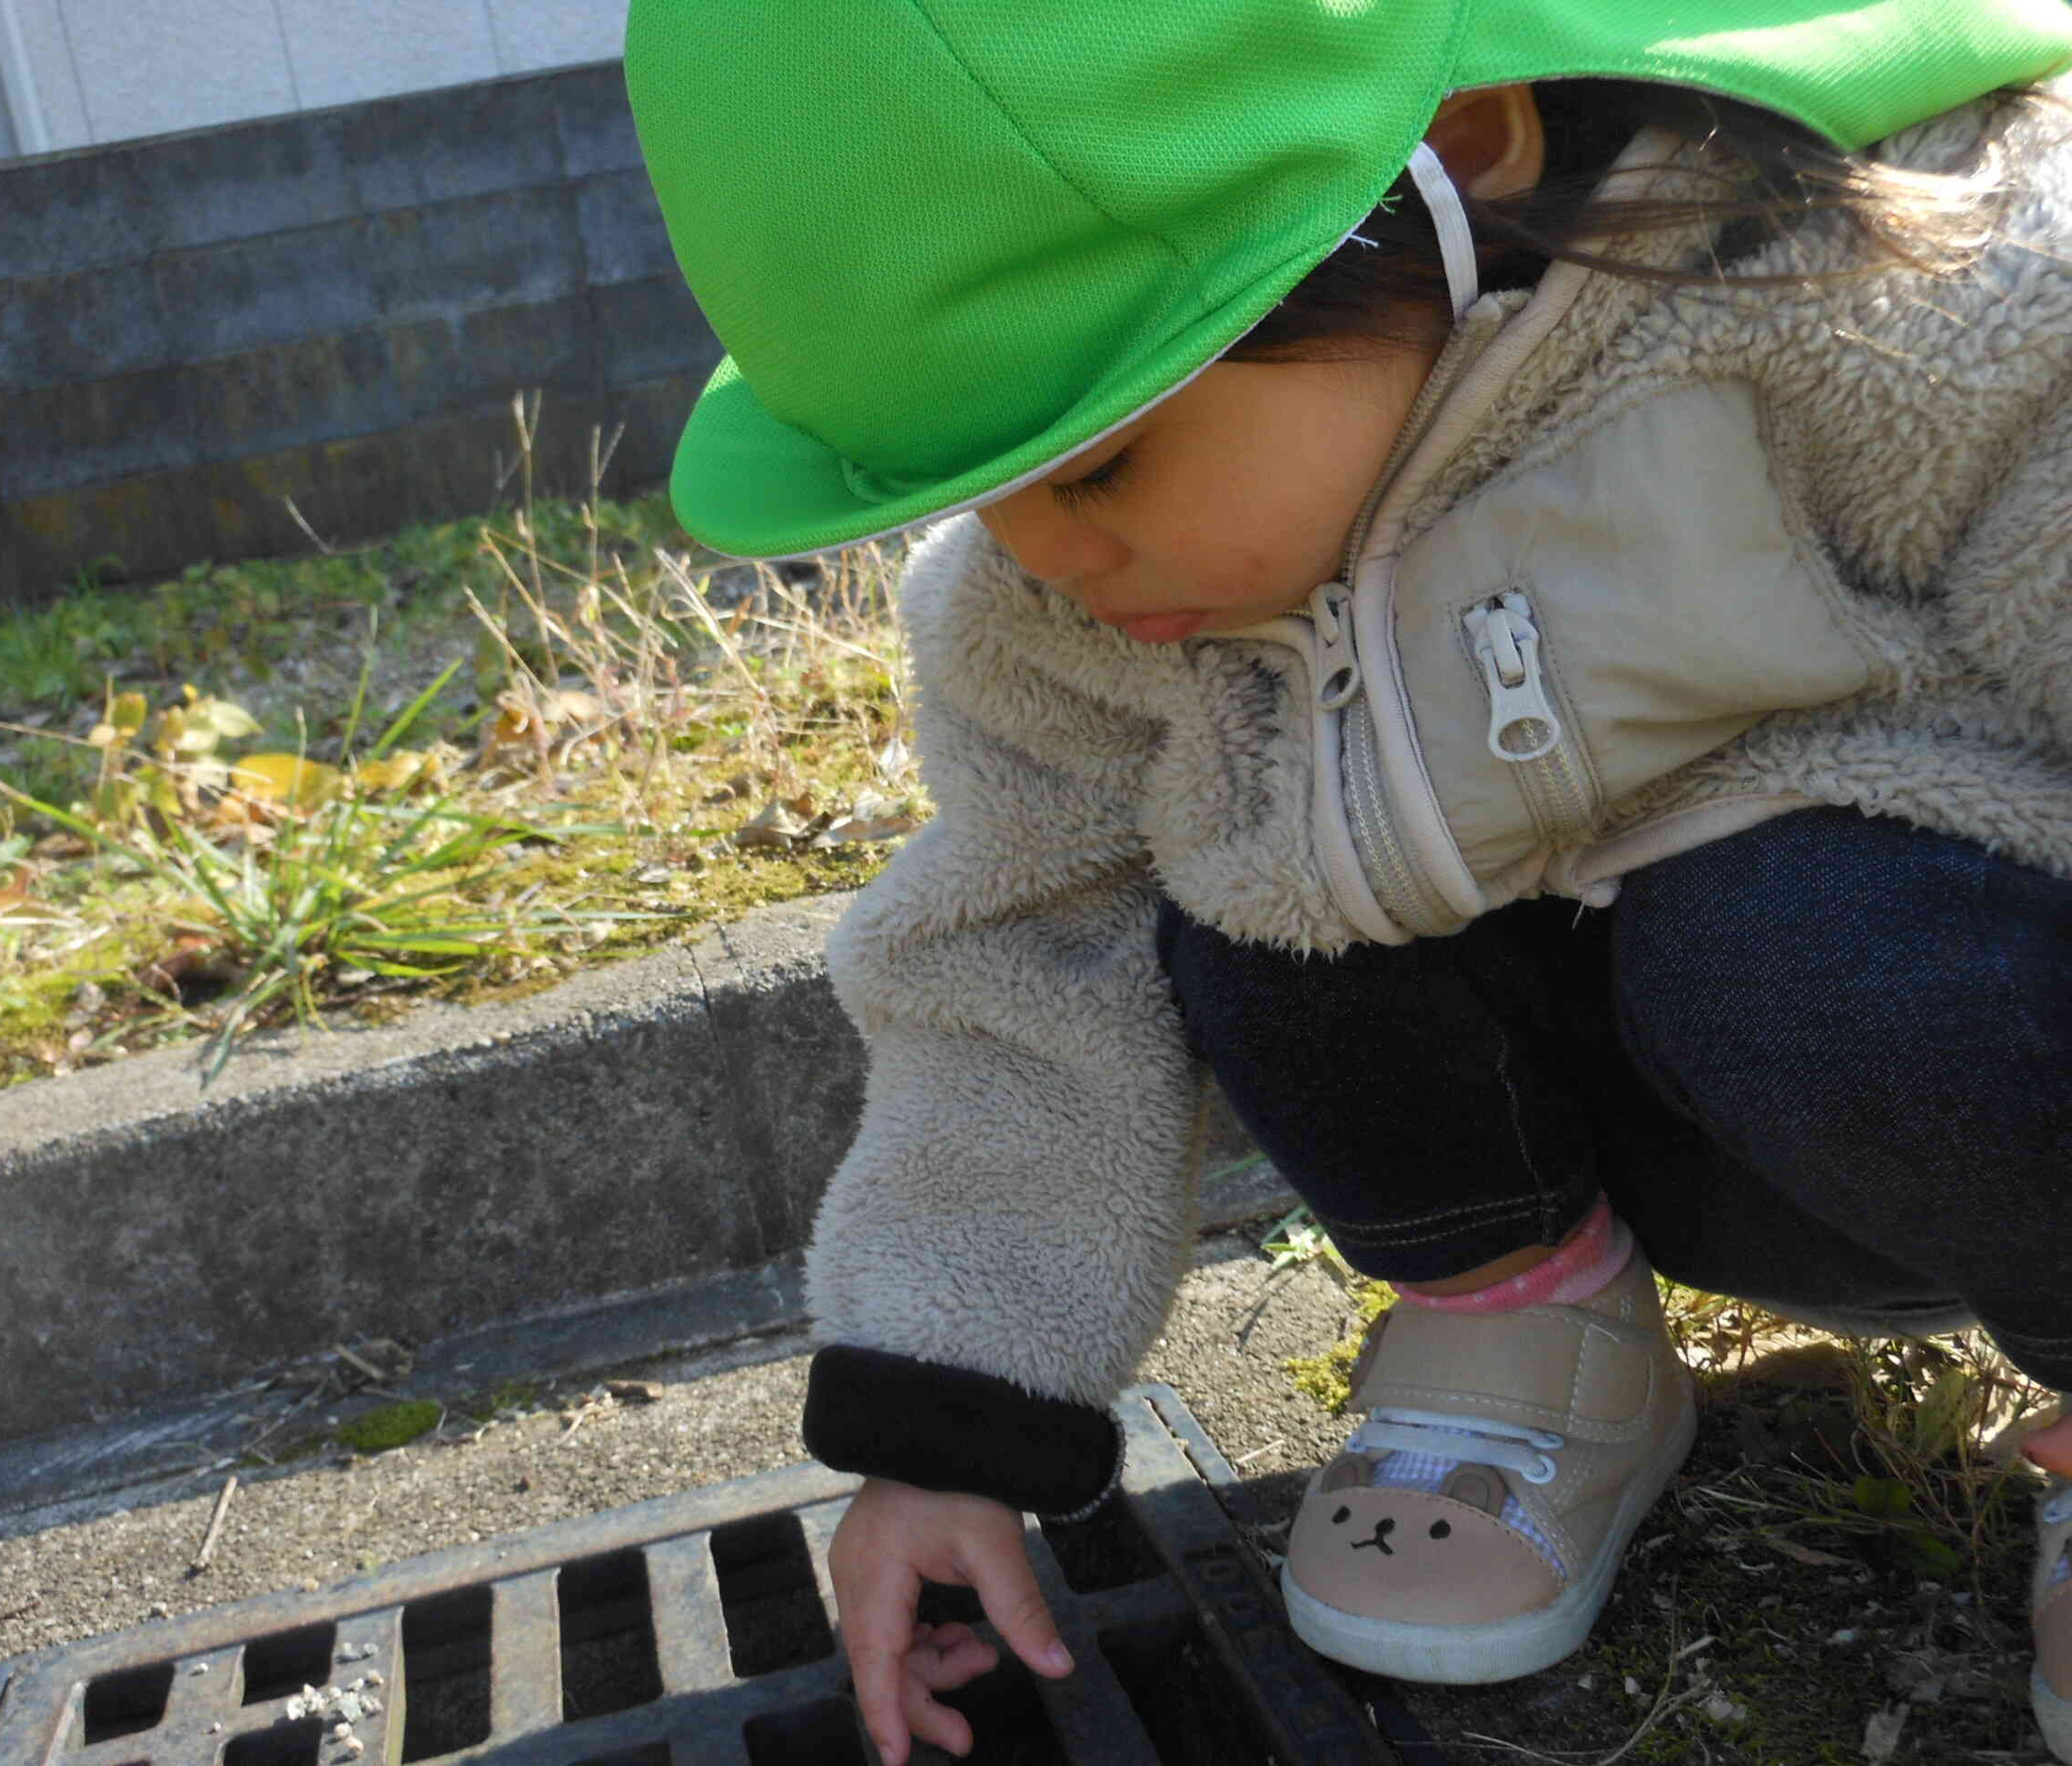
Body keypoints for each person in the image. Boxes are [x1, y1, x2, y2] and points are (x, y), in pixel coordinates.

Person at [623, 4, 2072, 1761]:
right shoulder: (1064, 615)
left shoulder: (1887, 308)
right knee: (1249, 904)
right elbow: (1021, 962)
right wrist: (949, 1425)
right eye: (982, 492)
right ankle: (1529, 1339)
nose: (1050, 558)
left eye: (1097, 460)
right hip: (1651, 1141)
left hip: (1972, 1077)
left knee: (1787, 946)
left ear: (1457, 158)